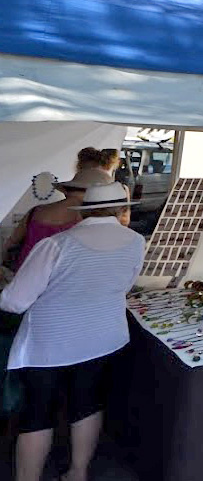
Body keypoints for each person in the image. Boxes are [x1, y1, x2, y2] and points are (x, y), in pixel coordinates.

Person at [0, 183, 144, 481]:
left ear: (84, 210)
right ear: (121, 210)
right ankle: (78, 473)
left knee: (38, 414)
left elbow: (14, 302)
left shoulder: (57, 245)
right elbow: (124, 287)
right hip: (104, 338)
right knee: (87, 404)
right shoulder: (135, 241)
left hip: (49, 345)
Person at [4, 168, 105, 271]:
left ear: (66, 191)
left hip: (24, 273)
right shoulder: (87, 219)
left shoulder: (35, 211)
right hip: (60, 279)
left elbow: (11, 242)